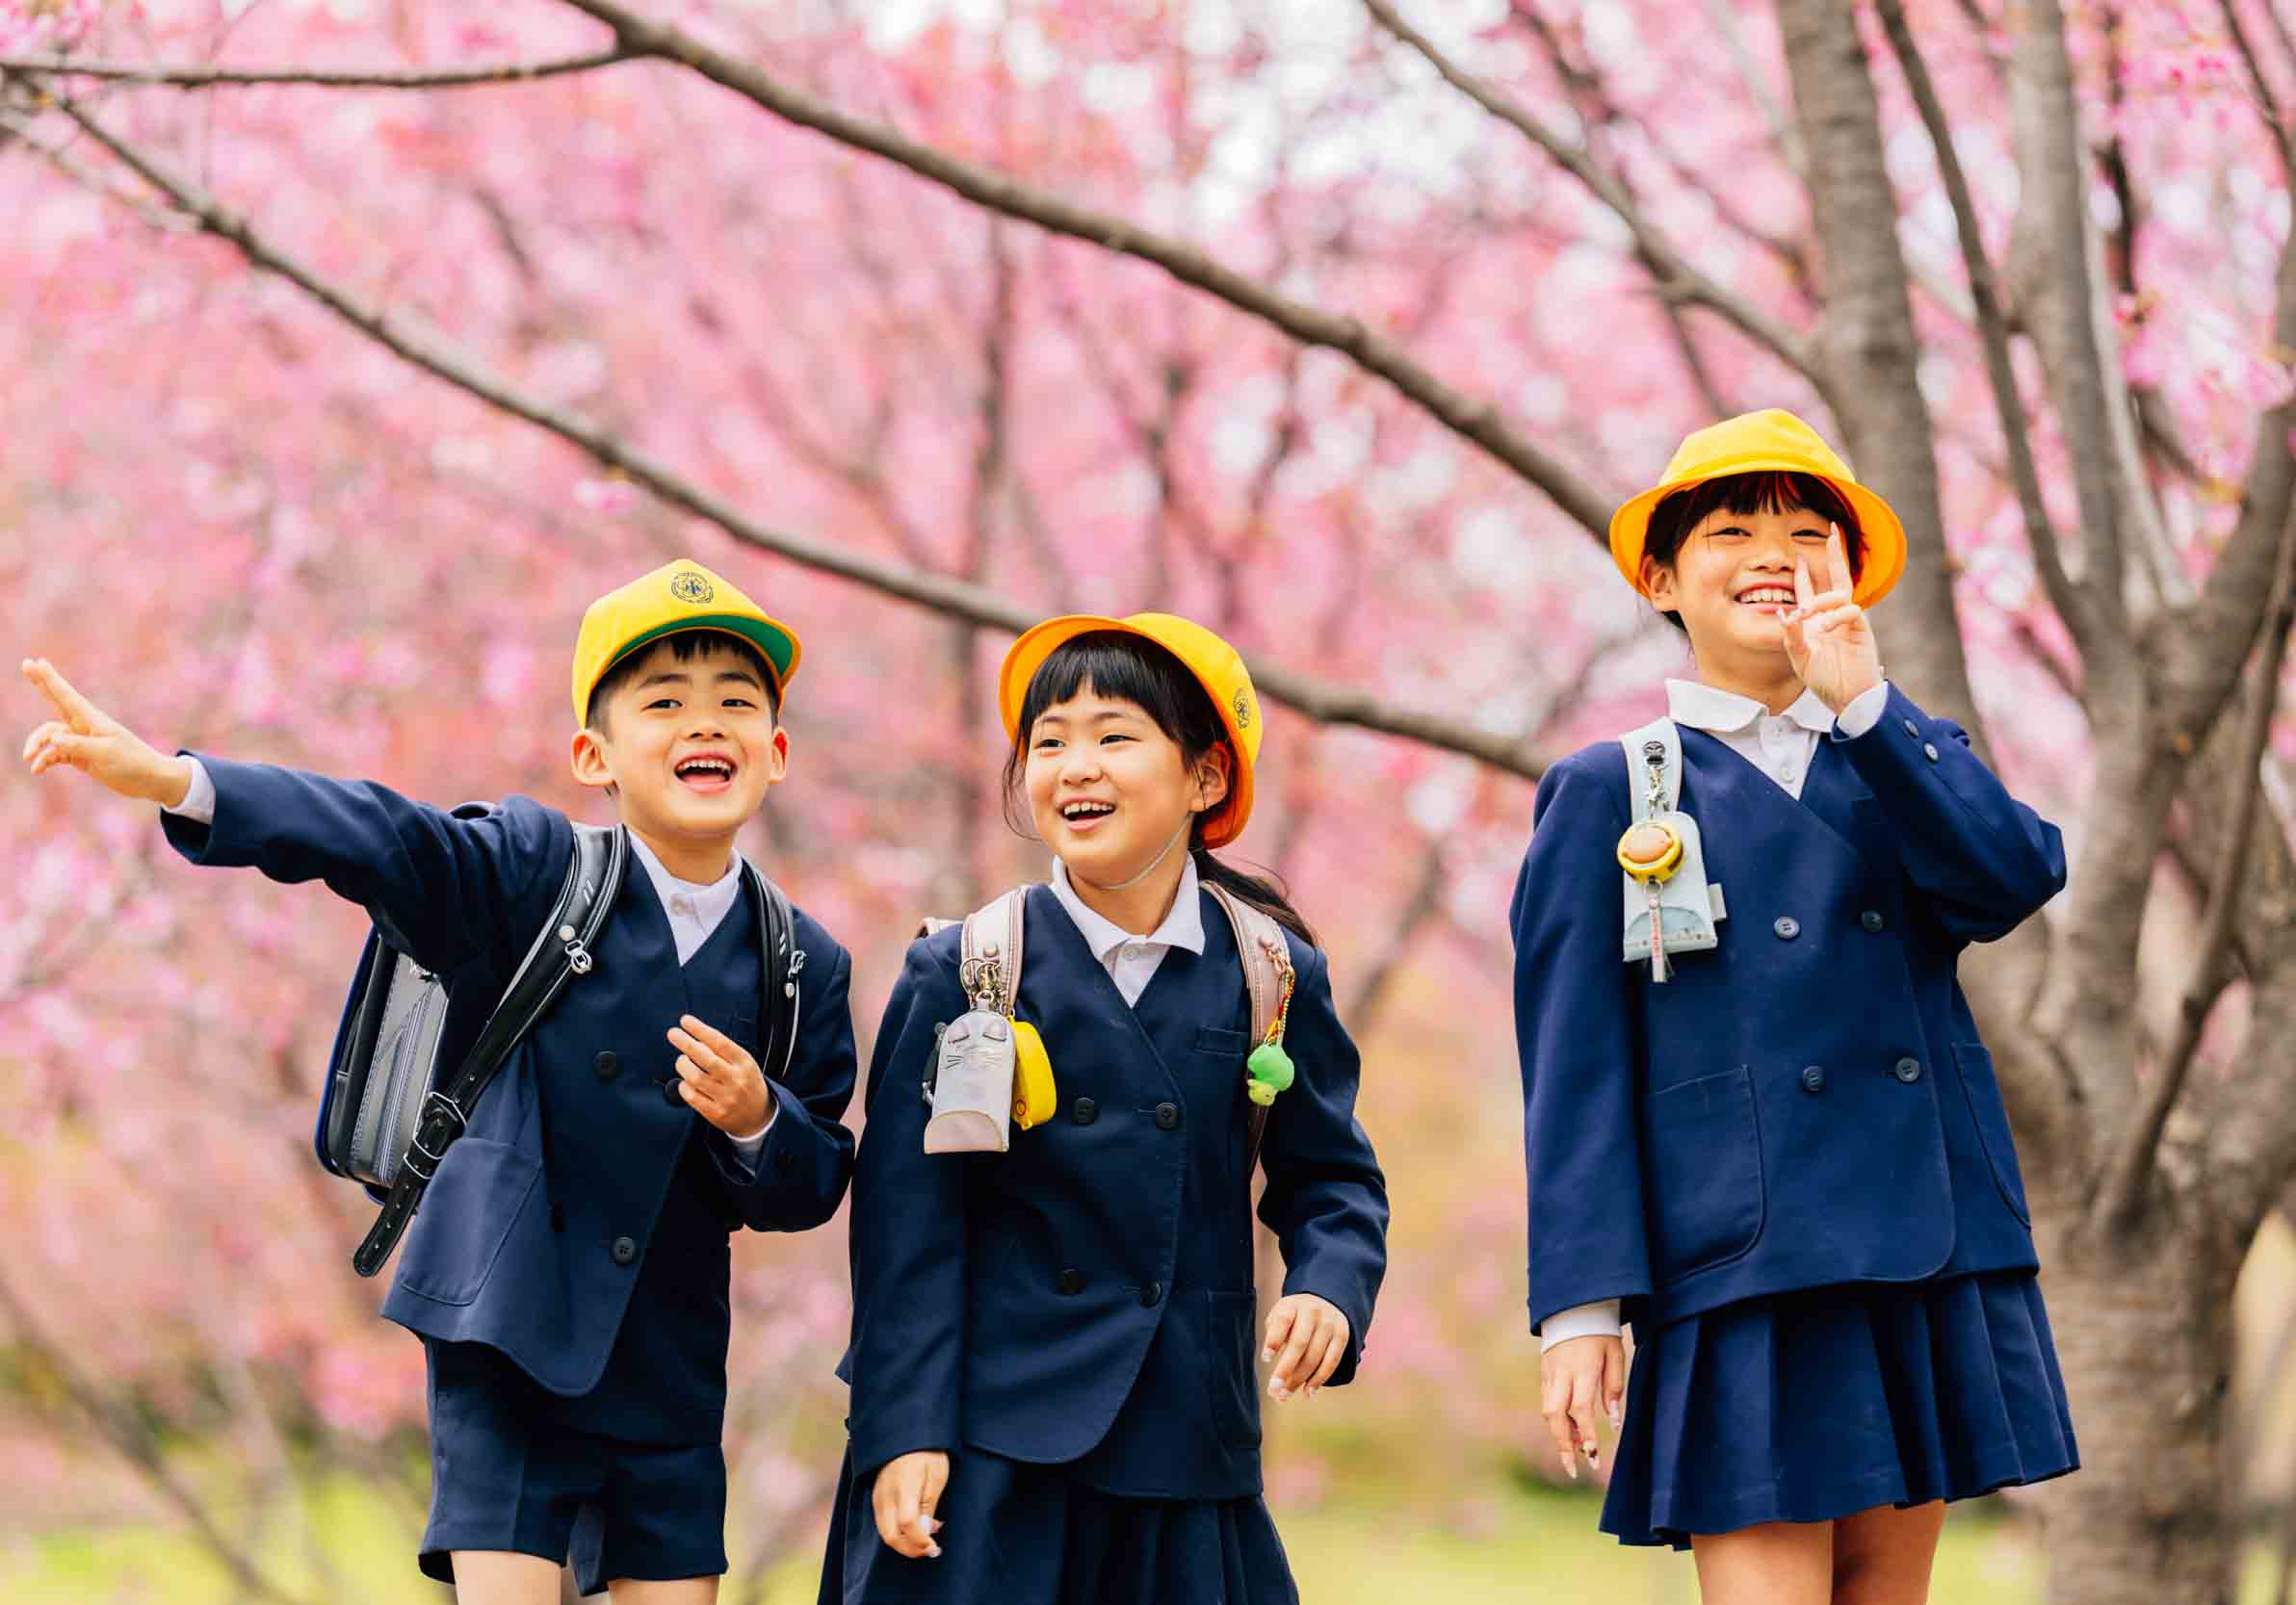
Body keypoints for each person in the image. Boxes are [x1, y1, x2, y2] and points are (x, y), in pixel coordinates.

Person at [19, 557, 859, 1604]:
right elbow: (380, 834)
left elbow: (816, 1173)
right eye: (664, 702)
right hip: (506, 1331)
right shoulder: (535, 871)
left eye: (737, 704)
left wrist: (756, 1120)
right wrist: (183, 782)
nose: (707, 723)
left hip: (670, 1366)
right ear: (592, 752)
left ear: (775, 752)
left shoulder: (799, 960)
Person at [1513, 411, 2078, 1604]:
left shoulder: (1904, 757)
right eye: (1732, 528)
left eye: (1805, 530)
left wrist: (1869, 707)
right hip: (1740, 1261)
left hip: (1915, 1240)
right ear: (1662, 575)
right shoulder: (1608, 788)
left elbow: (2011, 878)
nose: (1773, 550)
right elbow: (1575, 1070)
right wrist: (1578, 1305)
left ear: (1847, 571)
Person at [822, 612, 1388, 1605]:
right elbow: (906, 1229)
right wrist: (899, 1429)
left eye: (1114, 734)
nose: (1075, 765)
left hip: (1186, 1443)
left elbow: (1331, 1174)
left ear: (1206, 777)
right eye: (1049, 741)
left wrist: (1328, 1286)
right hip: (988, 1449)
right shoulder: (965, 967)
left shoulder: (1271, 975)